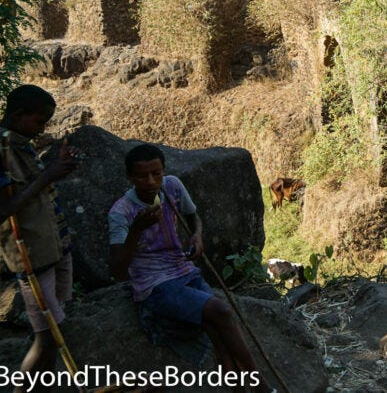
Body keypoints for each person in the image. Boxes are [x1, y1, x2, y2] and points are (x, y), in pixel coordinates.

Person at [109, 144, 268, 389]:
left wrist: (197, 236)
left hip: (183, 269)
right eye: (142, 176)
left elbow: (193, 216)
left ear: (163, 171)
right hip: (154, 283)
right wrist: (137, 230)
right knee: (222, 311)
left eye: (156, 173)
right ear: (130, 177)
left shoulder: (172, 186)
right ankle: (260, 385)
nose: (151, 181)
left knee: (215, 329)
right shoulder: (121, 212)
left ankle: (236, 387)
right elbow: (118, 270)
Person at [0, 85, 80, 388]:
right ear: (19, 115)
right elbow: (3, 208)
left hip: (53, 246)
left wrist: (56, 169)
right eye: (39, 122)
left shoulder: (18, 143)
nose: (41, 129)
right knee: (47, 336)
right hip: (31, 255)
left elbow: (33, 189)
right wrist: (49, 174)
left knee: (57, 327)